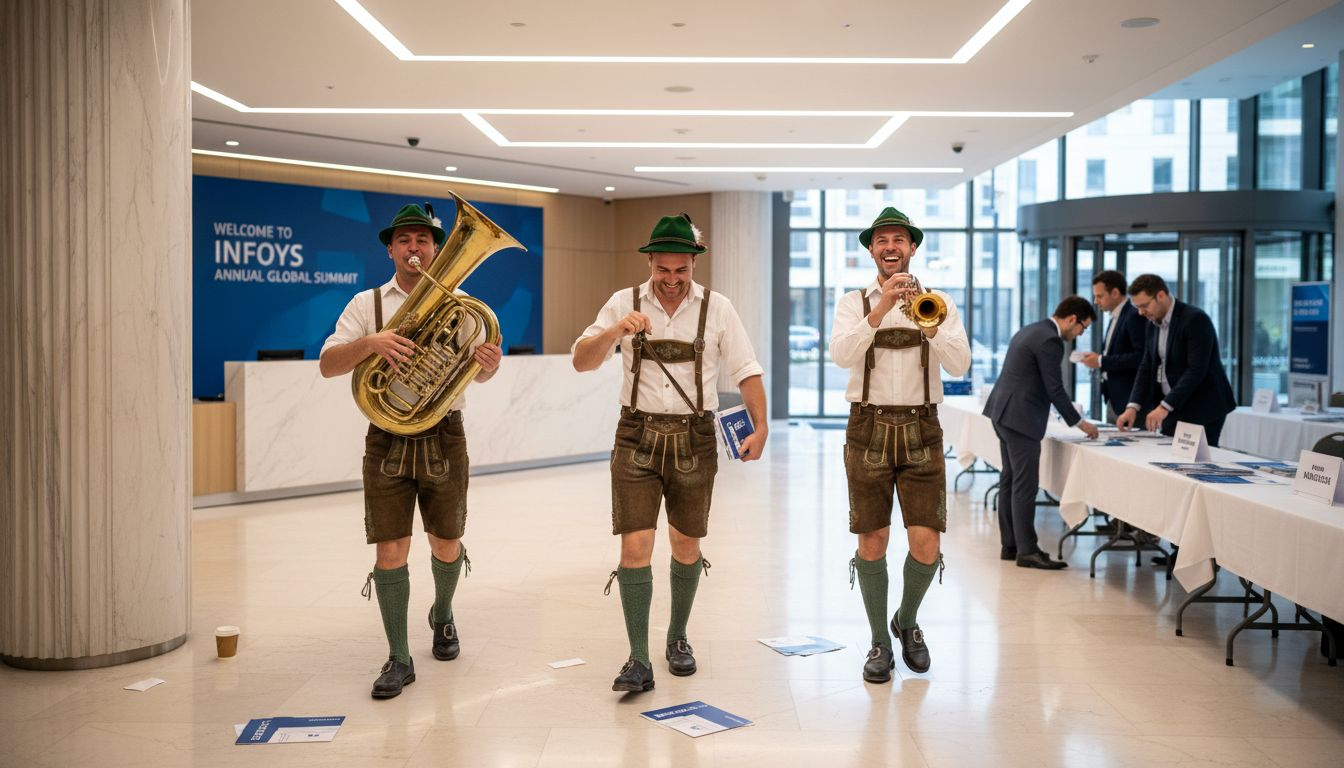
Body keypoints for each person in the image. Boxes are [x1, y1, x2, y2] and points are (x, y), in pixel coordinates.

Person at [572, 213, 767, 693]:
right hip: (635, 436)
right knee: (634, 546)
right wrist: (615, 332)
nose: (673, 279)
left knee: (686, 545)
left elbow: (746, 369)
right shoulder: (624, 302)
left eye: (682, 270)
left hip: (694, 438)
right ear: (650, 263)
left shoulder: (718, 308)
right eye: (664, 270)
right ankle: (638, 658)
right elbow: (581, 361)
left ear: (694, 264)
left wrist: (761, 426)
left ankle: (677, 636)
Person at [319, 203, 503, 700]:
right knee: (390, 548)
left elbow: (477, 375)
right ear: (390, 249)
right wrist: (372, 344)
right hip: (387, 437)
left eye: (423, 240)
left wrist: (488, 364)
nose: (414, 248)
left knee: (446, 543)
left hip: (444, 434)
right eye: (404, 240)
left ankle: (442, 613)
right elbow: (328, 364)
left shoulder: (464, 304)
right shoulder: (367, 305)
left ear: (437, 249)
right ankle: (399, 657)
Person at [829, 207, 971, 683]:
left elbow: (960, 365)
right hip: (867, 427)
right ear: (872, 250)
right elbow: (841, 355)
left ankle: (906, 620)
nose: (890, 247)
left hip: (921, 428)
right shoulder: (852, 303)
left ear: (912, 248)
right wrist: (879, 310)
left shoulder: (939, 302)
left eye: (899, 240)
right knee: (872, 539)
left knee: (927, 543)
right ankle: (879, 641)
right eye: (882, 240)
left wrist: (928, 325)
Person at [984, 297, 1100, 570]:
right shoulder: (1051, 340)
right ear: (1072, 319)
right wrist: (1080, 423)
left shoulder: (1032, 329)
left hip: (1003, 413)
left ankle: (1010, 545)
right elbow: (1054, 388)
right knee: (1024, 485)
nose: (1080, 334)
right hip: (1020, 418)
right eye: (1083, 328)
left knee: (1010, 480)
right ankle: (1027, 551)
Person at [1115, 274, 1236, 447]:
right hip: (1174, 406)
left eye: (1144, 306)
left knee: (1197, 460)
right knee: (1167, 456)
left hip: (1203, 406)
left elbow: (1196, 370)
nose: (1141, 312)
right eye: (1137, 307)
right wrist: (1132, 407)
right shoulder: (1151, 323)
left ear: (1161, 295)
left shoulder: (1195, 319)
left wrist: (1164, 407)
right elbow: (1146, 366)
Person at [1079, 270, 1146, 422]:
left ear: (1115, 293)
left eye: (1100, 296)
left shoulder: (1133, 315)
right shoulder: (1116, 316)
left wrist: (1101, 361)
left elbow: (1141, 357)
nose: (1096, 301)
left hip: (1129, 399)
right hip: (1114, 398)